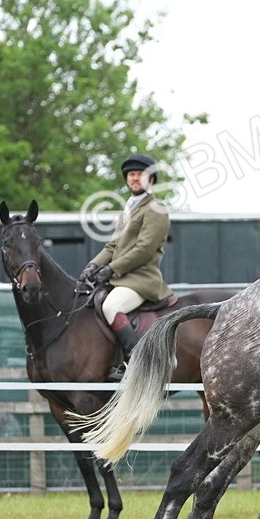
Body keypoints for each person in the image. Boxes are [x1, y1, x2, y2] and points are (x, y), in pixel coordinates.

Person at [80, 153, 174, 381]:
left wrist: (112, 269)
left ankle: (135, 361)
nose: (134, 178)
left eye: (139, 174)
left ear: (150, 180)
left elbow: (144, 249)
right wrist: (93, 265)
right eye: (131, 174)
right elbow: (113, 245)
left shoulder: (156, 209)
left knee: (111, 306)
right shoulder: (128, 210)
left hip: (141, 280)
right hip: (121, 278)